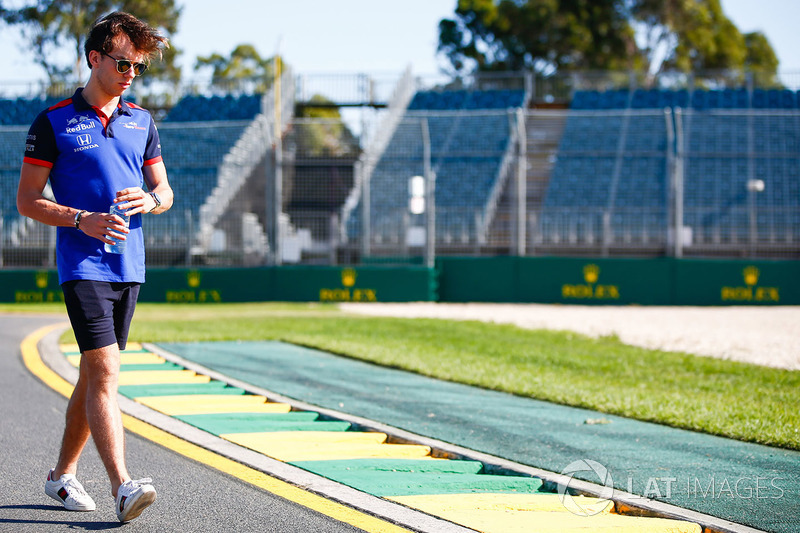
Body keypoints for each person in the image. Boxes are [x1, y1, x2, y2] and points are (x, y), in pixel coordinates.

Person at [17, 11, 172, 523]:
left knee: (91, 375)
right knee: (105, 371)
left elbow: (165, 191)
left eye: (139, 67)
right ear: (95, 58)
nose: (131, 73)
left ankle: (61, 476)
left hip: (130, 266)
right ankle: (123, 486)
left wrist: (151, 201)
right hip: (82, 265)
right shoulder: (53, 121)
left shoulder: (142, 121)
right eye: (123, 62)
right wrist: (81, 218)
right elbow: (27, 200)